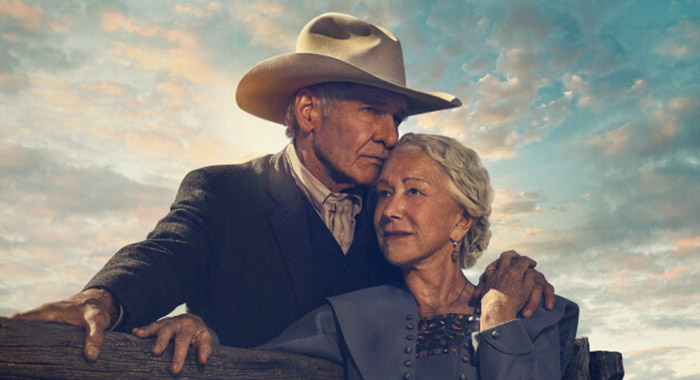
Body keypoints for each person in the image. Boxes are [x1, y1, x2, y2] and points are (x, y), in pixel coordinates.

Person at [12, 12, 555, 374]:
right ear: (309, 111)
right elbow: (164, 255)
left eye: (396, 116)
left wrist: (504, 290)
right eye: (372, 110)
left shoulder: (393, 214)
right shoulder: (227, 192)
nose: (389, 134)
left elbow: (442, 285)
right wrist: (101, 300)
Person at [259, 133, 579, 380]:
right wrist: (205, 330)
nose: (390, 210)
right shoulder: (347, 317)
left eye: (414, 191)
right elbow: (240, 364)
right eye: (385, 193)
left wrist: (497, 315)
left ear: (461, 220)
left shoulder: (533, 313)